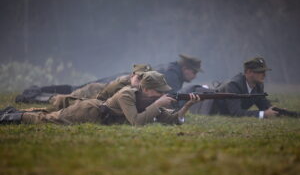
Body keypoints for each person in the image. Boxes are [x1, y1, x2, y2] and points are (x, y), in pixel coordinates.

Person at [0, 71, 201, 126]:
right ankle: (8, 117)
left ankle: (13, 112)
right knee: (46, 119)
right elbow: (137, 122)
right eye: (158, 91)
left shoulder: (149, 100)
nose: (161, 95)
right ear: (147, 89)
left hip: (98, 117)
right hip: (88, 112)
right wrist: (158, 104)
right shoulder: (127, 95)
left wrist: (187, 107)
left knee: (49, 115)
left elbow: (172, 120)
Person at [15, 54, 202, 103]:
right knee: (75, 94)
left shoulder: (171, 70)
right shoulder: (173, 76)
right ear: (186, 69)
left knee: (76, 88)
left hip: (118, 80)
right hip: (116, 85)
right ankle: (34, 94)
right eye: (194, 72)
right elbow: (166, 97)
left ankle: (37, 91)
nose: (194, 76)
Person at [185, 57, 278, 118]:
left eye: (264, 72)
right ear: (248, 72)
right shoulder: (234, 85)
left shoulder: (258, 85)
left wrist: (277, 111)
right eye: (260, 72)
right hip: (206, 108)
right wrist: (263, 114)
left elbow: (265, 106)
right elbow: (236, 113)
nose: (264, 75)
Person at [49, 64, 152, 110]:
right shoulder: (120, 86)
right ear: (132, 76)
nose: (141, 82)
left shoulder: (138, 87)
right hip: (94, 92)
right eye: (139, 78)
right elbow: (102, 99)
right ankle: (50, 98)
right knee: (64, 102)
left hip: (100, 91)